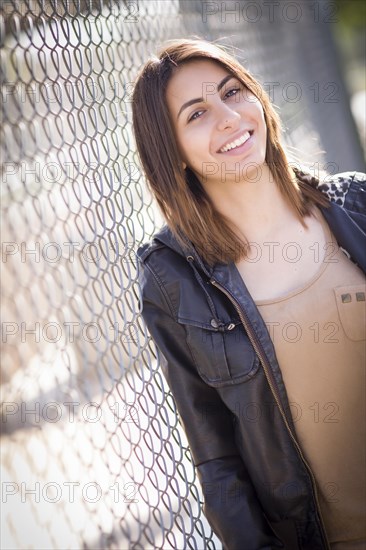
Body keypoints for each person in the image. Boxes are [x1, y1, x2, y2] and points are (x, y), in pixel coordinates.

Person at [132, 38, 366, 550]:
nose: (229, 117)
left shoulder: (357, 204)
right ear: (172, 153)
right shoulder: (176, 286)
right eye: (196, 114)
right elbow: (218, 463)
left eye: (233, 92)